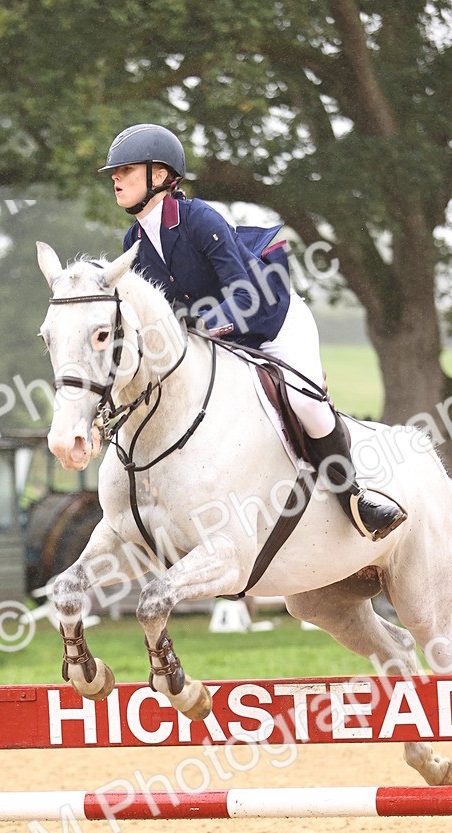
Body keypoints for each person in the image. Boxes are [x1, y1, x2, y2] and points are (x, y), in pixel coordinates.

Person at [100, 123, 407, 541]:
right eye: (114, 172)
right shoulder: (132, 241)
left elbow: (246, 296)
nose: (115, 178)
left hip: (271, 319)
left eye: (126, 169)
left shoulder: (199, 219)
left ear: (159, 175)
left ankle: (354, 497)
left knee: (306, 404)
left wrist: (203, 324)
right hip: (213, 338)